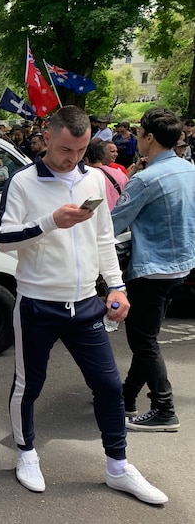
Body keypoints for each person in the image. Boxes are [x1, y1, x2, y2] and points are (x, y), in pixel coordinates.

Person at [0, 105, 167, 505]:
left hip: (85, 302)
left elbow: (104, 239)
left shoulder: (94, 180)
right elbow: (3, 240)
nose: (72, 158)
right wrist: (51, 221)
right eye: (66, 150)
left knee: (108, 386)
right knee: (28, 385)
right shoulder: (21, 182)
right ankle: (26, 454)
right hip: (37, 303)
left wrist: (118, 287)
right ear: (47, 137)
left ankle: (118, 467)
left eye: (81, 149)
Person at [111, 108, 195, 432]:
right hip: (180, 266)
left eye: (139, 133)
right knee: (147, 338)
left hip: (151, 270)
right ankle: (128, 396)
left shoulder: (145, 179)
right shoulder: (188, 169)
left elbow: (112, 224)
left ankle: (164, 407)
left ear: (149, 137)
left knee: (143, 341)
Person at [83, 143, 127, 210]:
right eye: (112, 151)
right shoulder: (120, 174)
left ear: (86, 160)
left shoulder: (88, 176)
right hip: (119, 214)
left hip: (100, 216)